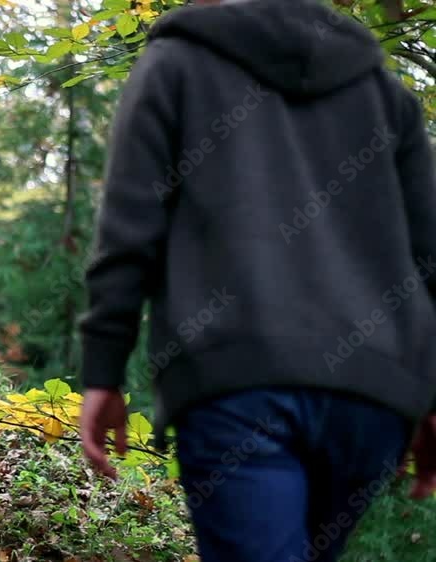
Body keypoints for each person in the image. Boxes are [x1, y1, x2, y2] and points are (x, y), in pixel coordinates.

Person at [76, 0, 436, 561]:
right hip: (370, 394)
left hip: (235, 382)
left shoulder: (175, 64)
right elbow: (429, 251)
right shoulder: (382, 91)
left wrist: (103, 369)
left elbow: (129, 229)